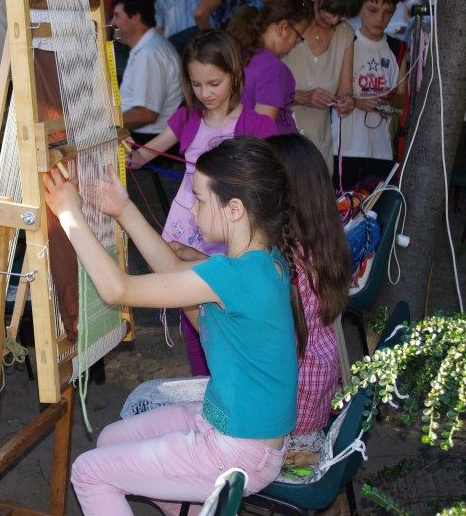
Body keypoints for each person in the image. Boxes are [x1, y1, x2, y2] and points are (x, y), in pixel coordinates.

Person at [43, 136, 301, 514]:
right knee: (110, 440)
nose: (192, 210)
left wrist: (69, 213)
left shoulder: (236, 275)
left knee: (89, 472)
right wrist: (123, 209)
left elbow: (116, 289)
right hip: (234, 429)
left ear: (234, 209)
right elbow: (174, 271)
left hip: (239, 448)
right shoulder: (263, 261)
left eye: (200, 199)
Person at [123, 133, 351, 440]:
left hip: (279, 417)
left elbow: (223, 309)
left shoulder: (284, 263)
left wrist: (191, 286)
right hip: (304, 401)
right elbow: (245, 289)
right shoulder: (311, 251)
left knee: (142, 404)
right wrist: (202, 264)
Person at [127, 30, 276, 375]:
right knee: (191, 313)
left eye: (214, 83)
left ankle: (224, 381)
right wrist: (126, 148)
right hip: (187, 225)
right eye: (196, 84)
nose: (205, 93)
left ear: (235, 75)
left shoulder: (257, 126)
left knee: (223, 315)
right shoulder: (188, 118)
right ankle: (201, 382)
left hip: (229, 235)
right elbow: (142, 156)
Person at [282, 0, 363, 172]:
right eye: (331, 11)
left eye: (342, 15)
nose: (334, 19)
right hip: (281, 143)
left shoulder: (345, 34)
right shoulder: (287, 26)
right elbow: (258, 88)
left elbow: (345, 92)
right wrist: (302, 97)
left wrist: (347, 102)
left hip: (318, 147)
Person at [337, 0, 407, 185]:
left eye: (388, 12)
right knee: (344, 200)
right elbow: (331, 90)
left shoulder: (398, 49)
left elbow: (402, 98)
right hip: (345, 145)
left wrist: (388, 101)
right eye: (372, 10)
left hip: (381, 147)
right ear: (359, 7)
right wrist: (357, 101)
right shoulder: (346, 41)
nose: (380, 19)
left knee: (377, 201)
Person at [226, 0, 311, 134]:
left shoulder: (237, 52)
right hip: (265, 147)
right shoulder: (273, 69)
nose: (295, 44)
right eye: (299, 37)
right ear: (283, 27)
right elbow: (260, 133)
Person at [111, 0, 183, 146]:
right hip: (144, 137)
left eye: (117, 16)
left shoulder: (150, 53)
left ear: (136, 17)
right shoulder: (147, 48)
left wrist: (104, 124)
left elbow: (146, 114)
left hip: (150, 143)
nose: (112, 22)